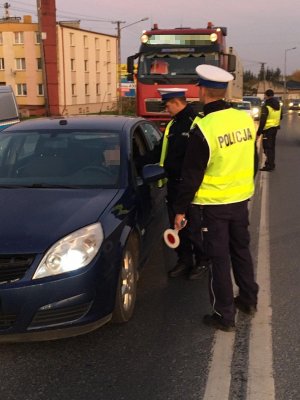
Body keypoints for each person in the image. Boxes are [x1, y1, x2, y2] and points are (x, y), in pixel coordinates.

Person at [173, 65, 259, 332]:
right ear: (224, 91)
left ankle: (224, 315)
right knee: (241, 252)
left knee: (218, 259)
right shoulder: (244, 119)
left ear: (202, 91)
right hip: (240, 201)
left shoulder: (204, 127)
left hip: (212, 207)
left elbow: (192, 175)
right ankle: (248, 300)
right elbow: (254, 160)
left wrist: (180, 210)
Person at [158, 88, 210, 280]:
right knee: (177, 226)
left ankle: (202, 260)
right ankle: (184, 260)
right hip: (173, 186)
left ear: (176, 102)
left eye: (167, 105)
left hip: (192, 187)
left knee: (194, 226)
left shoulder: (197, 123)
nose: (166, 109)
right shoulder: (172, 125)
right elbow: (160, 151)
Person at [257, 89, 282, 171]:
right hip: (275, 128)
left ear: (266, 95)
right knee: (271, 147)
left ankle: (269, 166)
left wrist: (258, 133)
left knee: (267, 148)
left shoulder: (266, 106)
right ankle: (271, 164)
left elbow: (263, 121)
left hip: (267, 130)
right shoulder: (278, 105)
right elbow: (281, 117)